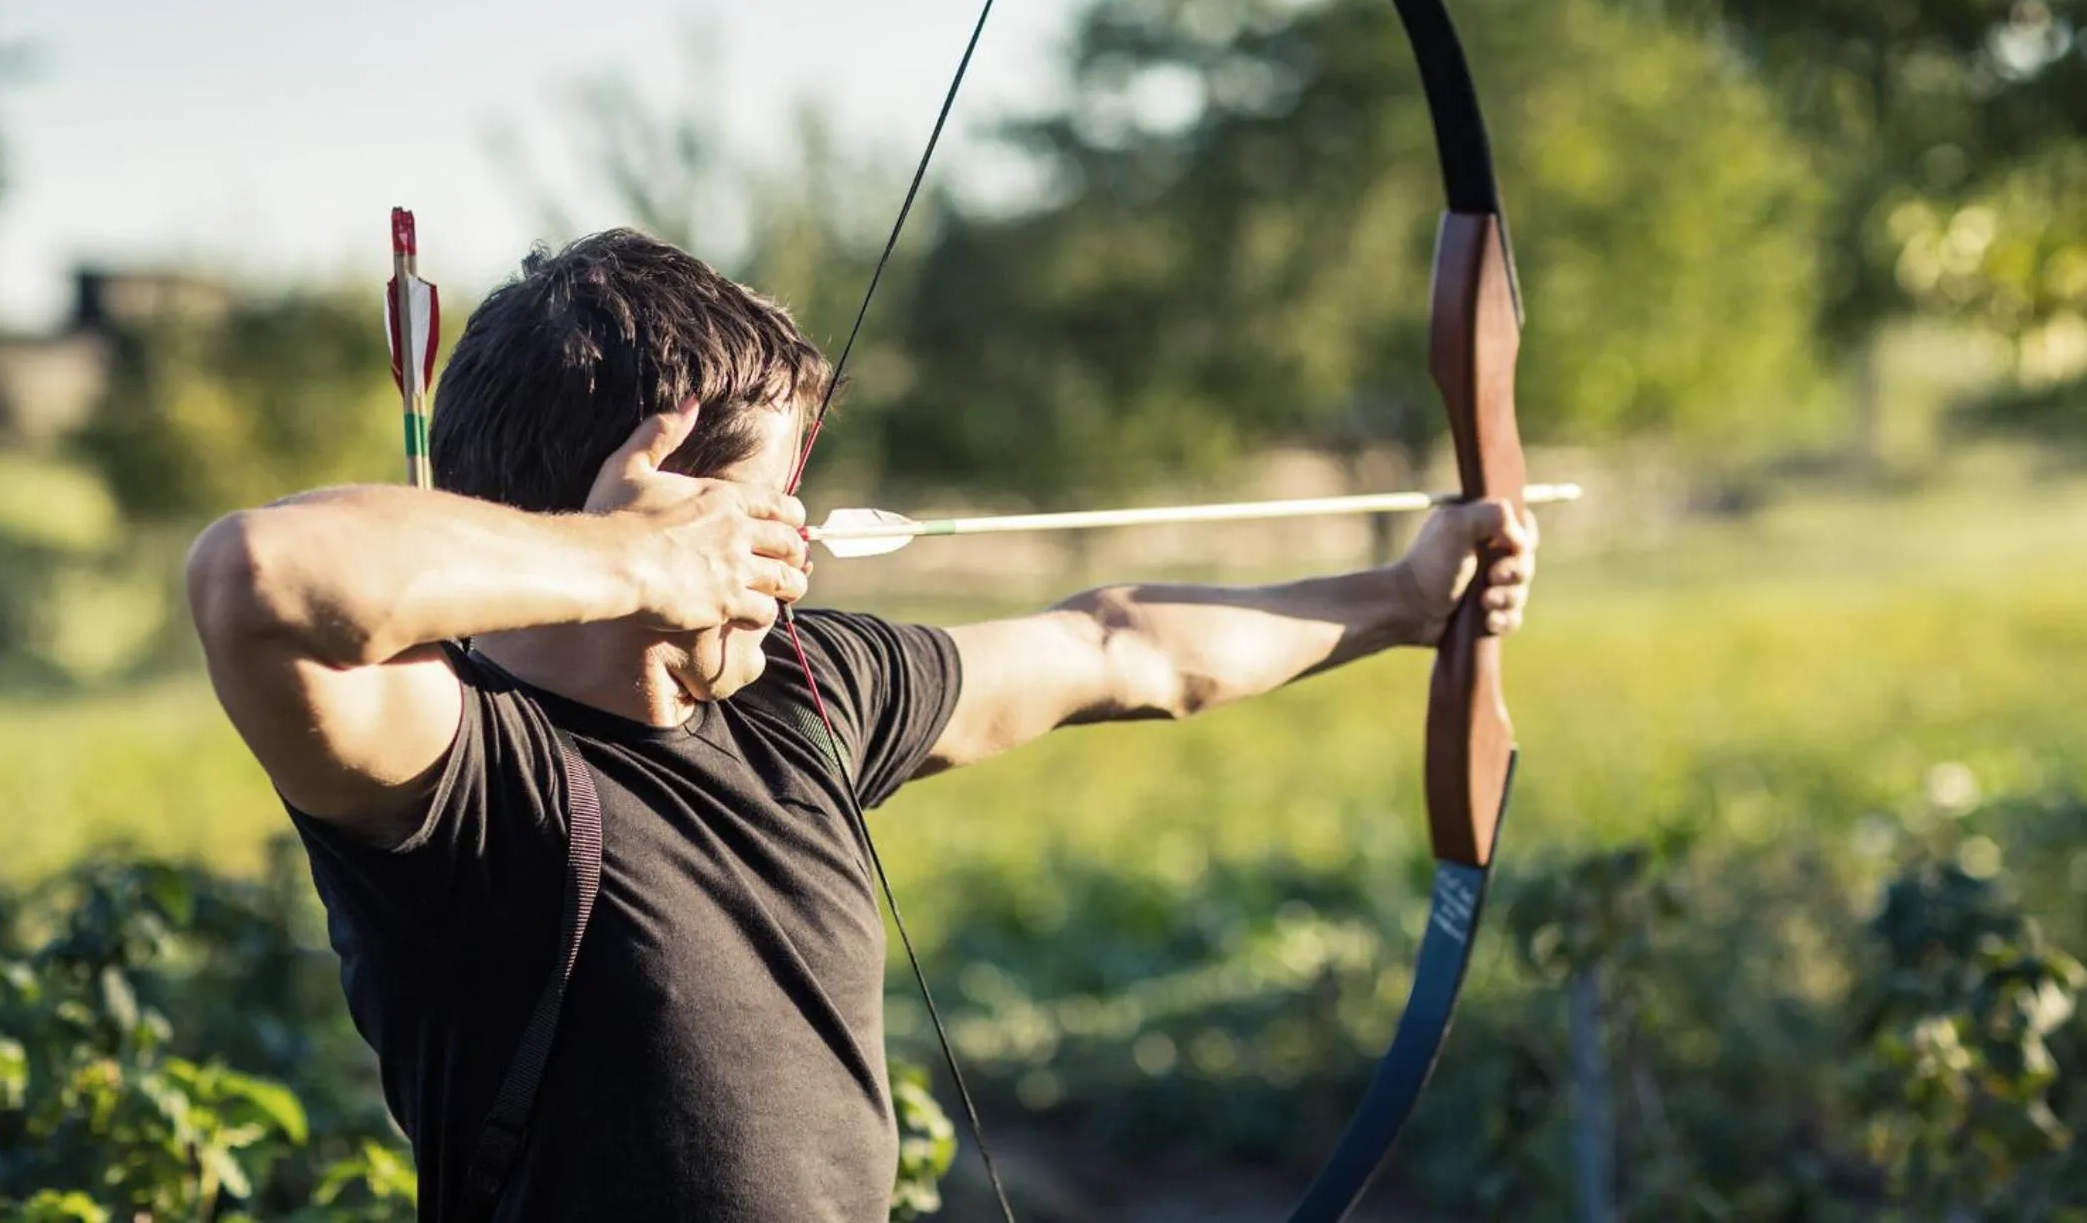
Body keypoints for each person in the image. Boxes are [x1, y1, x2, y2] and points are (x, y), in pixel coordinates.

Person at [185, 228, 1538, 1223]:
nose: (800, 547)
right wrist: (633, 567)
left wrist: (1404, 599)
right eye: (771, 504)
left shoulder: (801, 692)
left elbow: (1121, 646)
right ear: (660, 506)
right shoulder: (466, 776)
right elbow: (255, 577)